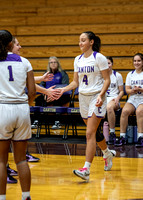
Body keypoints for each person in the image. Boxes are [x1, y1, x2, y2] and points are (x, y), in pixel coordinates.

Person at [58, 31, 116, 181]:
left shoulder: (99, 58)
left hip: (97, 97)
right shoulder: (77, 59)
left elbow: (107, 80)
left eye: (83, 40)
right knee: (95, 133)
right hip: (82, 98)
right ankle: (107, 153)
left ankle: (86, 169)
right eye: (79, 41)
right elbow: (75, 82)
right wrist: (63, 89)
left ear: (91, 42)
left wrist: (101, 95)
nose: (80, 43)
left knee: (89, 133)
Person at [0, 30, 36, 200]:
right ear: (10, 44)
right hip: (22, 110)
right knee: (21, 159)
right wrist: (24, 105)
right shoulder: (25, 62)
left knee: (1, 161)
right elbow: (33, 91)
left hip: (2, 110)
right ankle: (26, 196)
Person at [34, 56, 70, 129]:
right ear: (49, 64)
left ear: (58, 63)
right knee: (38, 100)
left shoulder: (63, 73)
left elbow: (65, 86)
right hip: (47, 94)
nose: (53, 64)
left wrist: (53, 95)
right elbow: (41, 85)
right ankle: (36, 121)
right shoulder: (46, 74)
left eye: (55, 62)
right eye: (51, 62)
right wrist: (45, 94)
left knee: (57, 100)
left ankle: (57, 122)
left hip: (61, 95)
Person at [115, 53, 143, 147]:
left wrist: (141, 89)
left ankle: (140, 137)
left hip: (142, 99)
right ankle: (122, 137)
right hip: (133, 98)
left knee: (139, 111)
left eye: (139, 60)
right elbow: (127, 90)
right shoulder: (130, 74)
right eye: (135, 61)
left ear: (142, 62)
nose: (136, 62)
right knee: (124, 111)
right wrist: (133, 90)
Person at [106, 56, 124, 145]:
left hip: (114, 98)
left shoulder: (117, 75)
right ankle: (94, 134)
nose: (107, 65)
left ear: (112, 64)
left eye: (109, 63)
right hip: (103, 98)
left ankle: (112, 133)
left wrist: (117, 98)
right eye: (105, 63)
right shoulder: (100, 76)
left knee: (109, 108)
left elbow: (121, 91)